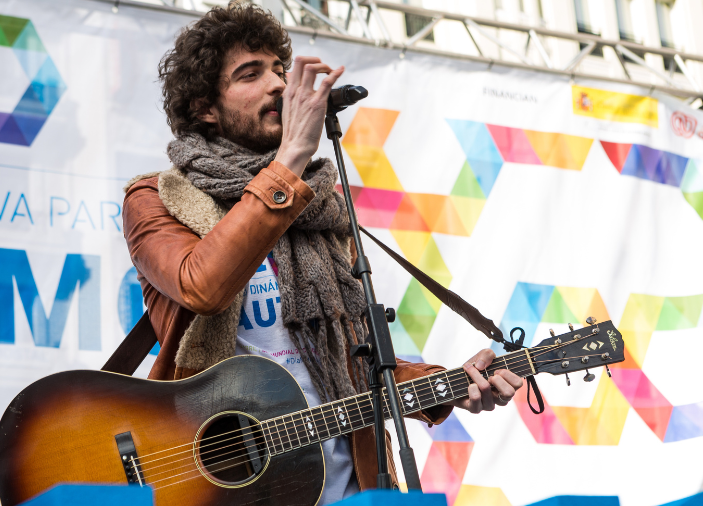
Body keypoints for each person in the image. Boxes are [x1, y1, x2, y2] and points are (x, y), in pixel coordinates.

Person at [121, 4, 523, 503]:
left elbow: (355, 369)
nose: (278, 86)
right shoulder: (161, 198)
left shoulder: (322, 209)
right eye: (251, 74)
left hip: (349, 486)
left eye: (279, 71)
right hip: (224, 486)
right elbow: (203, 286)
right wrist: (290, 159)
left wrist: (448, 385)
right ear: (205, 107)